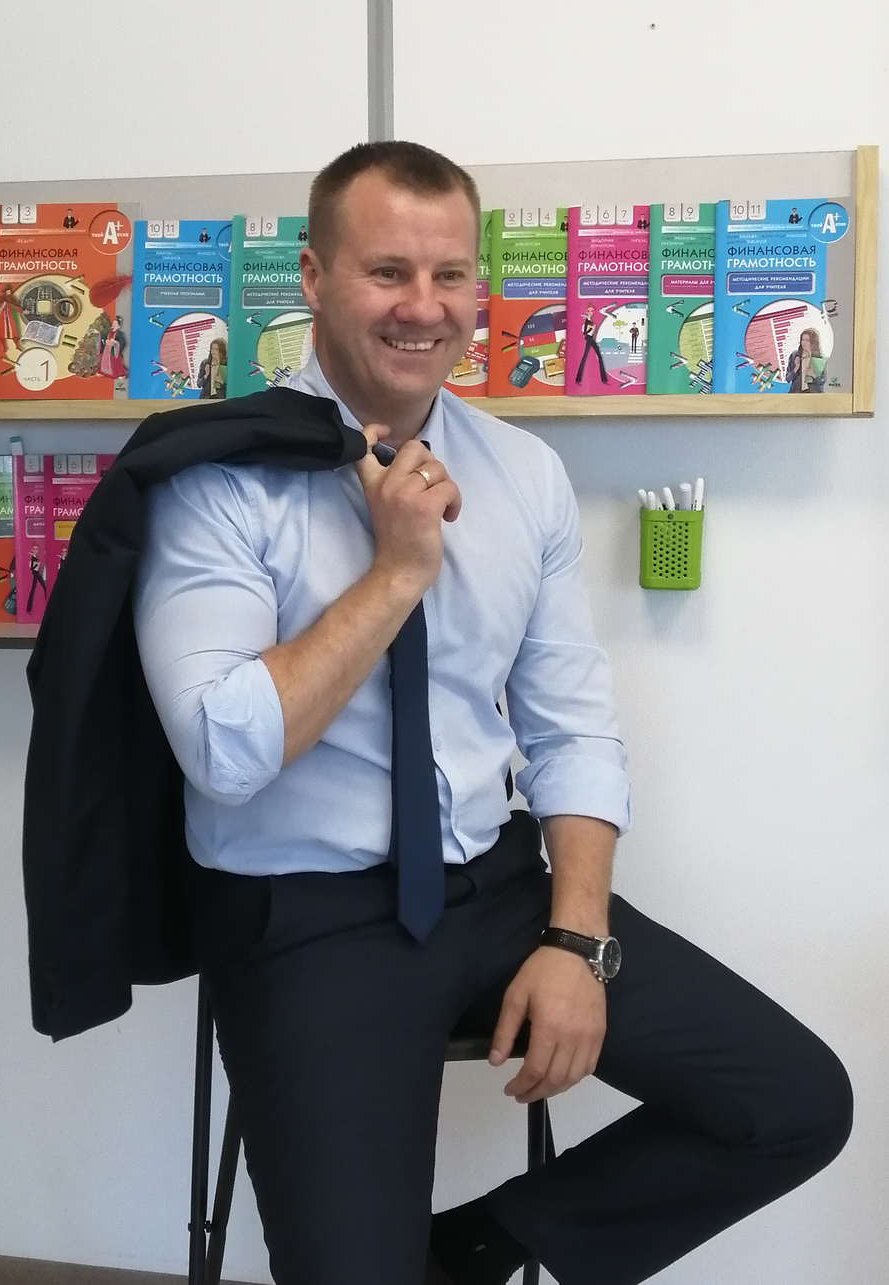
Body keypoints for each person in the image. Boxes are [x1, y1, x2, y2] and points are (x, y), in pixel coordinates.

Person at [133, 141, 851, 1285]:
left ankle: (469, 1248)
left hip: (495, 887)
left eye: (450, 274)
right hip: (305, 913)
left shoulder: (522, 475)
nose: (423, 306)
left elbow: (571, 728)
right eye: (387, 271)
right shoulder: (218, 476)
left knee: (792, 1102)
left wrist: (574, 939)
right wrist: (396, 573)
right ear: (314, 277)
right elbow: (225, 751)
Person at [785, 326, 826, 392]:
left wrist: (813, 375)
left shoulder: (819, 358)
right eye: (803, 340)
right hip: (796, 393)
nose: (804, 342)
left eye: (807, 340)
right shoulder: (794, 356)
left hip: (813, 393)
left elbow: (823, 380)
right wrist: (796, 368)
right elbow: (788, 379)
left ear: (813, 342)